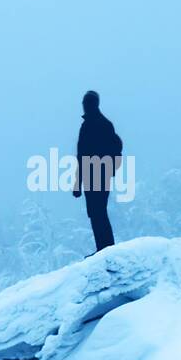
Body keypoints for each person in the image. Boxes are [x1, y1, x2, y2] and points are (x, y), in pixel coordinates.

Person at [72, 90, 122, 254]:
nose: (85, 106)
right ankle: (103, 248)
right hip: (93, 176)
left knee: (98, 212)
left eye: (88, 103)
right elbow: (81, 156)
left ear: (94, 104)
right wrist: (78, 183)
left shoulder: (97, 125)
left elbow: (83, 155)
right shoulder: (101, 125)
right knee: (95, 213)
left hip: (98, 176)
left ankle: (106, 249)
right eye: (85, 103)